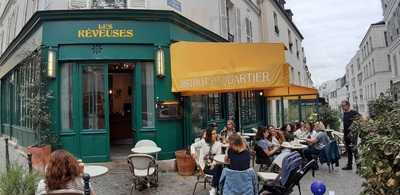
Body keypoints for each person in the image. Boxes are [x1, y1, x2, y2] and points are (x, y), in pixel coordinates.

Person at [190, 124, 222, 195]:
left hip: (213, 166)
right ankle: (217, 188)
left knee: (220, 168)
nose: (215, 135)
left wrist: (213, 164)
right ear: (209, 135)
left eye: (215, 133)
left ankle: (214, 188)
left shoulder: (218, 144)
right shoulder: (203, 142)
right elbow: (192, 145)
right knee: (220, 170)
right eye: (213, 134)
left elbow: (218, 157)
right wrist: (193, 153)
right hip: (204, 166)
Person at [341, 100, 361, 170]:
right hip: (346, 135)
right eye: (342, 106)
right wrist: (344, 135)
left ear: (348, 105)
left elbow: (360, 120)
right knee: (348, 150)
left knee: (354, 149)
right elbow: (344, 125)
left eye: (344, 106)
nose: (342, 107)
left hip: (353, 135)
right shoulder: (344, 113)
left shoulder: (353, 112)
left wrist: (354, 129)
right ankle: (349, 165)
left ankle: (359, 166)